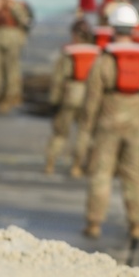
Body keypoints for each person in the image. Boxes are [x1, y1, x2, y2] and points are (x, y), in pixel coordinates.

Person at [81, 4, 139, 244]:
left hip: (108, 123)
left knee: (101, 174)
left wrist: (87, 128)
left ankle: (94, 223)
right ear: (134, 29)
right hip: (137, 126)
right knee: (134, 176)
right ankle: (136, 225)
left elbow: (92, 98)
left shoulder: (104, 59)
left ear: (112, 28)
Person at [43, 17, 98, 177]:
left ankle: (50, 164)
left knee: (60, 133)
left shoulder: (68, 52)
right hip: (88, 96)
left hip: (70, 95)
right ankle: (76, 167)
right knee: (84, 133)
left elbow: (58, 78)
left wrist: (54, 101)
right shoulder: (97, 53)